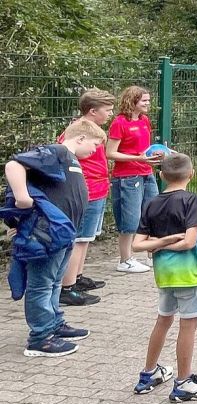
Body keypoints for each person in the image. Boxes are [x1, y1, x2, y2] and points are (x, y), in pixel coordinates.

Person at [4, 119, 104, 357]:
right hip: (46, 233)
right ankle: (40, 337)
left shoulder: (72, 159)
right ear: (80, 138)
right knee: (40, 284)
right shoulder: (57, 151)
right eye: (94, 144)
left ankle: (54, 324)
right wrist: (22, 197)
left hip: (63, 233)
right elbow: (13, 165)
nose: (95, 150)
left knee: (54, 282)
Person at [132, 153, 197, 401]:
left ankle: (148, 373)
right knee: (188, 325)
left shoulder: (151, 203)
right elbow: (189, 242)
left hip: (163, 274)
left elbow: (137, 245)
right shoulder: (191, 200)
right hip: (189, 274)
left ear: (161, 175)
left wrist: (158, 244)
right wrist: (169, 242)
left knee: (163, 320)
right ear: (191, 175)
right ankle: (183, 382)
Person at [57, 88, 116, 307]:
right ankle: (67, 287)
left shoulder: (94, 131)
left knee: (86, 238)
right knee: (79, 239)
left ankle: (77, 277)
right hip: (86, 190)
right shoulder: (77, 132)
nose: (110, 114)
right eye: (107, 110)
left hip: (98, 187)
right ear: (92, 111)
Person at [107, 85, 163, 274]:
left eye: (148, 100)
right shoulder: (119, 123)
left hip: (146, 172)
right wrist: (138, 158)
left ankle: (153, 254)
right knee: (130, 219)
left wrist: (153, 156)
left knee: (153, 213)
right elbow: (110, 153)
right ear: (133, 101)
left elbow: (143, 149)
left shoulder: (145, 120)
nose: (148, 103)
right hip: (127, 176)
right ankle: (125, 259)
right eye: (144, 100)